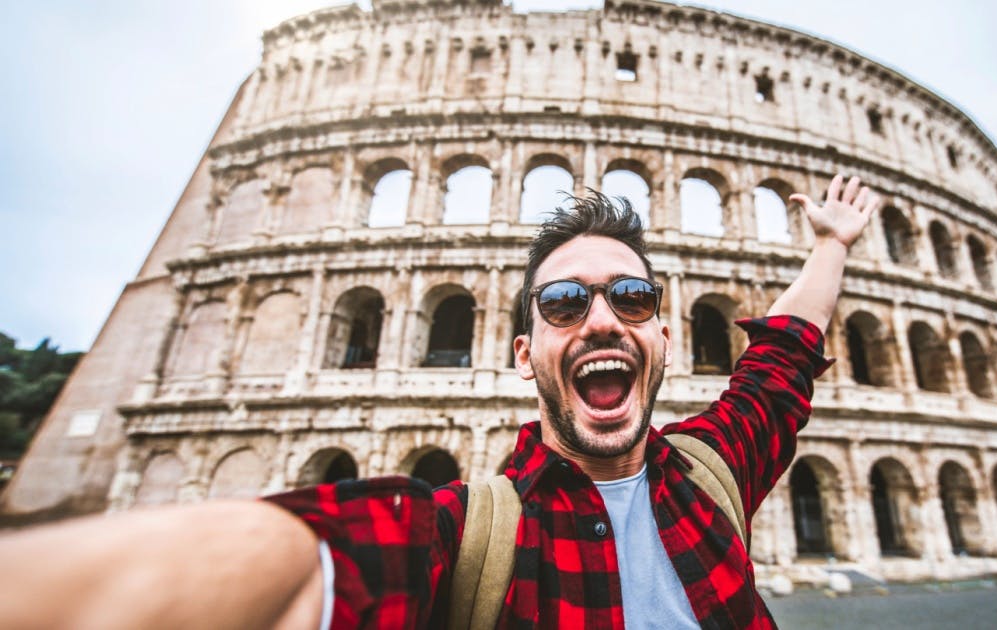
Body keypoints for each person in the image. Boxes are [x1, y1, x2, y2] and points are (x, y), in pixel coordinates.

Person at [0, 175, 879, 629]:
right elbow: (307, 559)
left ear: (662, 339)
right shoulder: (461, 535)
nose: (603, 319)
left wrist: (833, 246)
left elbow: (782, 360)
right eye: (567, 303)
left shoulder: (716, 468)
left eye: (633, 300)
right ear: (525, 353)